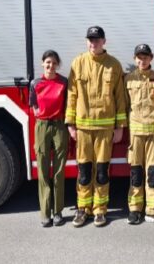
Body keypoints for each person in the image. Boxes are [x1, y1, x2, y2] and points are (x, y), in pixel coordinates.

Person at [65, 26, 127, 227]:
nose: (94, 43)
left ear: (104, 42)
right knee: (84, 171)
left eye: (97, 40)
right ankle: (82, 209)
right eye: (91, 40)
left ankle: (100, 210)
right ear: (87, 42)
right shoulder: (78, 63)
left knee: (101, 171)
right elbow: (72, 95)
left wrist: (120, 126)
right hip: (82, 128)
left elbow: (119, 97)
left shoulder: (114, 65)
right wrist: (70, 123)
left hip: (105, 129)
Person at [124, 44, 154, 226]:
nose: (142, 60)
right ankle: (135, 210)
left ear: (151, 58)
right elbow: (125, 105)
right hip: (136, 131)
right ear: (135, 59)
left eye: (145, 57)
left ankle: (153, 211)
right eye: (139, 57)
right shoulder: (128, 79)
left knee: (152, 172)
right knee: (136, 171)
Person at [29, 50, 69, 227]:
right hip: (42, 126)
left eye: (53, 63)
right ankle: (45, 213)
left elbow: (68, 103)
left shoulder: (63, 82)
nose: (50, 66)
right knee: (44, 171)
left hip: (59, 125)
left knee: (59, 171)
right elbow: (33, 104)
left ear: (57, 65)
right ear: (42, 64)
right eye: (47, 62)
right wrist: (39, 115)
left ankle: (58, 212)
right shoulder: (35, 83)